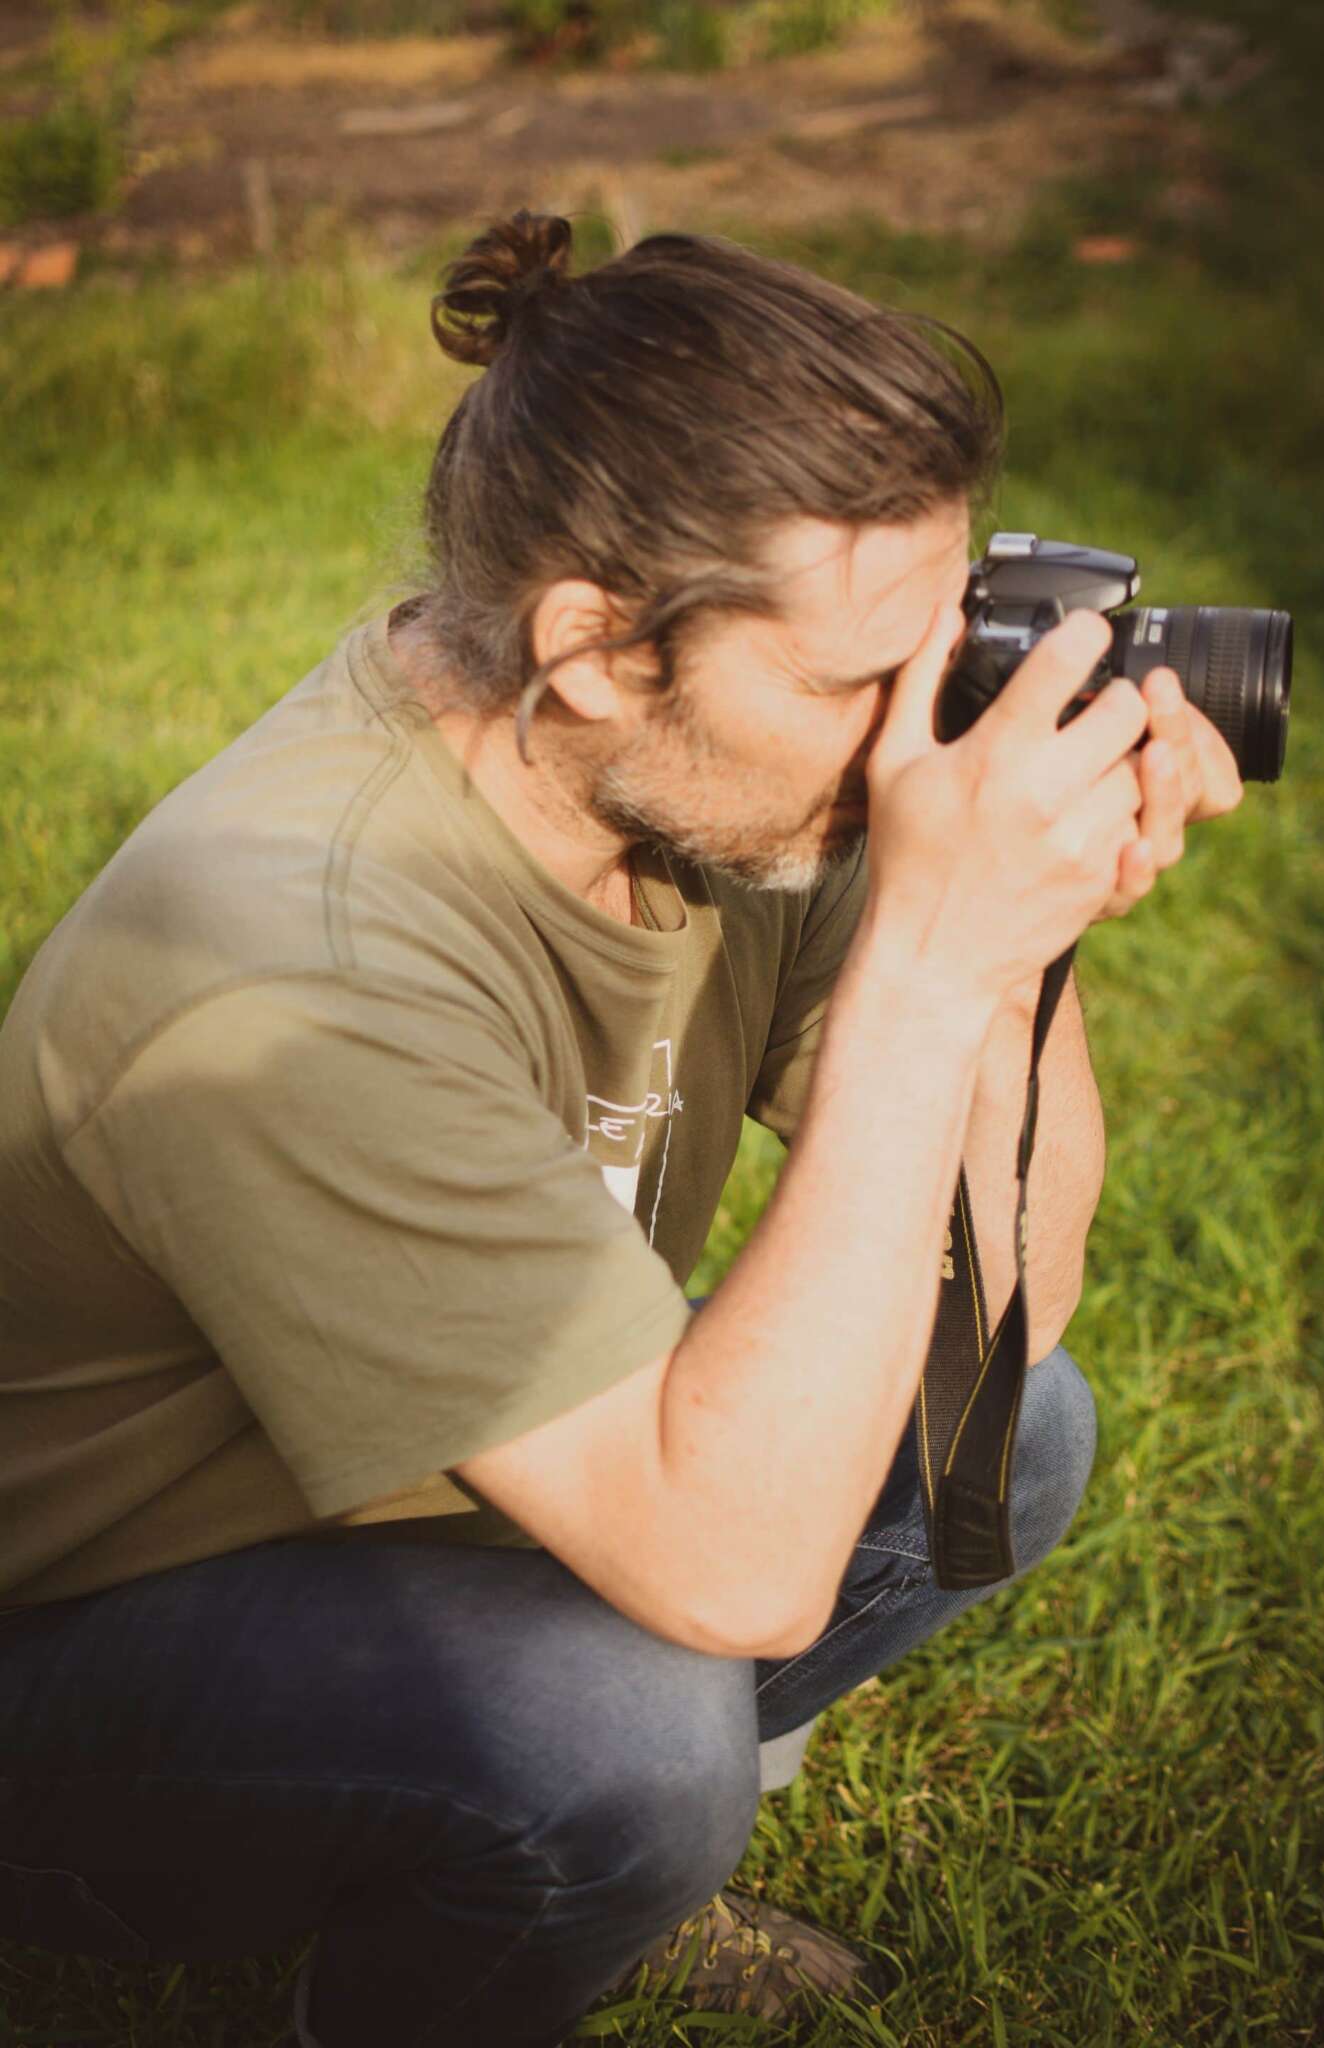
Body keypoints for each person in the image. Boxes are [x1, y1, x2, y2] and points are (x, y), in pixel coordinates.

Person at [0, 211, 1241, 2047]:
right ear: (592, 645)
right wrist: (923, 960)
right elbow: (729, 1572)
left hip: (431, 1505)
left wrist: (1000, 955)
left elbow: (1001, 1318)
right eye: (852, 683)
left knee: (1006, 1425)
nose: (913, 736)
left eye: (940, 650)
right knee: (621, 1743)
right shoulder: (291, 969)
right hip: (85, 1646)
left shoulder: (729, 787)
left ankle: (594, 1876)